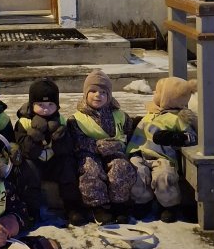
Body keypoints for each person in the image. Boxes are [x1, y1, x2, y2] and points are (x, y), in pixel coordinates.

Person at [67, 69, 137, 224]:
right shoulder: (76, 119)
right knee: (90, 169)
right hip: (89, 153)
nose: (98, 95)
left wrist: (118, 145)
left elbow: (126, 136)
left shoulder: (120, 116)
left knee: (121, 167)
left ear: (109, 95)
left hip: (115, 153)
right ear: (85, 94)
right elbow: (79, 142)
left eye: (103, 92)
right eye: (93, 91)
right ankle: (98, 207)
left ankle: (119, 205)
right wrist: (102, 146)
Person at [14, 77, 85, 226]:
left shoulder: (62, 121)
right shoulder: (24, 122)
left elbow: (68, 148)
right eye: (40, 104)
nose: (46, 109)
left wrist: (58, 138)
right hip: (35, 162)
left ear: (57, 105)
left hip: (54, 162)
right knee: (28, 168)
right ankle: (31, 209)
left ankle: (72, 207)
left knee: (67, 165)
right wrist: (35, 135)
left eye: (50, 104)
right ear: (32, 104)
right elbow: (26, 150)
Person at [127, 77, 198, 222]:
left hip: (163, 157)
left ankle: (169, 206)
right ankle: (142, 202)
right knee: (137, 173)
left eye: (158, 92)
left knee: (164, 177)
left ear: (168, 97)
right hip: (140, 153)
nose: (155, 94)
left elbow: (192, 137)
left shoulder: (178, 118)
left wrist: (175, 137)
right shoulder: (152, 113)